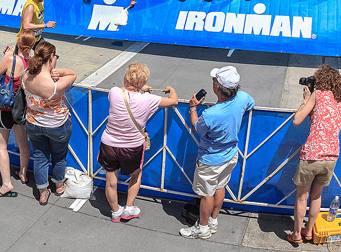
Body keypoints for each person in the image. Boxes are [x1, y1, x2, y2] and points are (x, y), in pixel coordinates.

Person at [181, 66, 255, 239]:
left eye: (214, 80)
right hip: (230, 155)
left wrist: (193, 108)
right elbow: (252, 104)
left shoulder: (210, 114)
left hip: (210, 160)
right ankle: (213, 220)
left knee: (206, 195)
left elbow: (196, 128)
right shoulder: (243, 98)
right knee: (220, 187)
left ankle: (203, 228)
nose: (213, 82)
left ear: (217, 88)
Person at [99, 63, 178, 222]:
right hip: (132, 146)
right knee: (135, 175)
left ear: (126, 78)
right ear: (143, 82)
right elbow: (173, 101)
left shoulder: (114, 93)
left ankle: (115, 211)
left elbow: (123, 90)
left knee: (111, 181)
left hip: (109, 144)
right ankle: (129, 208)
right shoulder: (149, 99)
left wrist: (137, 87)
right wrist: (172, 90)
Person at [289, 65, 341, 245]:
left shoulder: (318, 95)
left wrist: (306, 100)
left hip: (312, 153)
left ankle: (297, 234)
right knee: (316, 196)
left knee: (301, 197)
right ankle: (309, 231)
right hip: (331, 155)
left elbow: (297, 120)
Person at [23, 41, 77, 205]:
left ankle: (42, 191)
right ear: (51, 58)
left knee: (40, 157)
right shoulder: (54, 85)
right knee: (59, 157)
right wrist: (59, 71)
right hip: (57, 125)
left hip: (33, 123)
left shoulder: (26, 75)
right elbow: (73, 74)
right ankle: (59, 186)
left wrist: (51, 71)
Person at [0, 29, 35, 197]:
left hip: (6, 108)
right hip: (22, 108)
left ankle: (6, 184)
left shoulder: (10, 60)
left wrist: (6, 56)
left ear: (18, 43)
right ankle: (23, 173)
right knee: (23, 143)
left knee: (1, 146)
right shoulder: (33, 62)